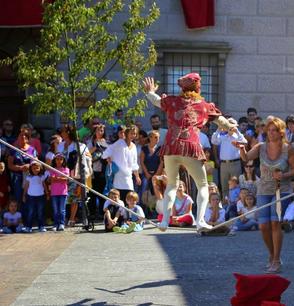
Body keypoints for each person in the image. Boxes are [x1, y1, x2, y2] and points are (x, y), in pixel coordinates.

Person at [143, 73, 235, 232]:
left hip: (171, 147)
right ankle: (200, 221)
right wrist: (231, 128)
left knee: (171, 184)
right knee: (203, 185)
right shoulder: (204, 105)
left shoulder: (172, 101)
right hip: (190, 147)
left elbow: (155, 100)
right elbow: (221, 121)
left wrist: (149, 91)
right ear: (197, 87)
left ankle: (165, 220)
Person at [235, 116, 294, 273]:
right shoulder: (261, 147)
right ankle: (271, 255)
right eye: (269, 130)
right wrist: (241, 148)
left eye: (274, 130)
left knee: (275, 223)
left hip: (280, 190)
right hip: (263, 189)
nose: (271, 133)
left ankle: (276, 259)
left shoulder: (287, 149)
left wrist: (283, 175)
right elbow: (246, 158)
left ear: (281, 132)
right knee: (263, 225)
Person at [102, 124, 141, 203]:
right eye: (131, 133)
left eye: (135, 133)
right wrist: (108, 158)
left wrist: (137, 176)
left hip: (128, 178)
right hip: (117, 177)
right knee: (119, 201)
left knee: (129, 199)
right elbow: (104, 154)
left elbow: (134, 163)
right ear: (127, 133)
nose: (133, 135)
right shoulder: (119, 143)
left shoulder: (134, 146)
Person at [211, 118, 247, 196]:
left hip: (235, 163)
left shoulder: (238, 137)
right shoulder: (223, 137)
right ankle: (225, 204)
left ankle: (236, 204)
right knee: (224, 187)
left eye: (231, 126)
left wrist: (237, 131)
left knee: (236, 186)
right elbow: (214, 141)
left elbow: (244, 142)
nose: (230, 128)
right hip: (224, 164)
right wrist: (219, 129)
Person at [8, 129, 37, 209]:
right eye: (20, 136)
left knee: (28, 198)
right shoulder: (13, 150)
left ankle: (28, 219)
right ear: (17, 138)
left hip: (29, 178)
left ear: (28, 139)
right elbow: (9, 165)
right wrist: (20, 168)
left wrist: (30, 166)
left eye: (24, 137)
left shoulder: (32, 150)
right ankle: (19, 218)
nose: (22, 138)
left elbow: (37, 164)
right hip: (17, 177)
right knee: (18, 198)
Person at [87, 123, 108, 219]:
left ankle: (101, 212)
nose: (100, 132)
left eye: (102, 130)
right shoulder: (90, 142)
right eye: (98, 130)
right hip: (92, 170)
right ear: (94, 132)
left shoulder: (106, 142)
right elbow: (87, 153)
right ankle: (92, 213)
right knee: (92, 193)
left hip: (102, 170)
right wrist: (95, 146)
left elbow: (108, 154)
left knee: (102, 192)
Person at [23, 161, 49, 233]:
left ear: (40, 168)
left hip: (40, 196)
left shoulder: (42, 176)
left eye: (37, 168)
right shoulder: (29, 177)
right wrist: (24, 195)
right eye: (34, 168)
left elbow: (44, 185)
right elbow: (26, 186)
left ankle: (41, 226)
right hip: (31, 197)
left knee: (40, 212)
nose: (35, 170)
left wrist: (47, 193)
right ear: (31, 169)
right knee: (30, 212)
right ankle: (28, 227)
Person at [48, 153, 69, 231]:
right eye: (57, 159)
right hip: (54, 193)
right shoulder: (52, 169)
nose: (59, 161)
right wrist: (61, 178)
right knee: (56, 210)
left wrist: (57, 178)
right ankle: (55, 224)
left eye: (61, 159)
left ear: (63, 160)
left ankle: (61, 224)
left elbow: (66, 179)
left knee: (62, 210)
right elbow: (52, 179)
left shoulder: (66, 169)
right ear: (55, 160)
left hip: (63, 192)